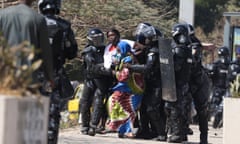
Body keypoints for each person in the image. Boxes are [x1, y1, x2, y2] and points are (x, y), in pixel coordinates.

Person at [37, 0, 78, 143]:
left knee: (31, 109)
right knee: (53, 111)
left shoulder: (32, 23)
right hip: (55, 73)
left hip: (34, 73)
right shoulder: (65, 26)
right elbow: (72, 52)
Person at [125, 22, 167, 141]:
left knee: (152, 108)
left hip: (156, 85)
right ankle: (145, 131)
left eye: (147, 38)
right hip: (149, 84)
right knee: (143, 108)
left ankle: (161, 133)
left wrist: (131, 67)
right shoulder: (149, 50)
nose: (145, 40)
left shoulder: (154, 52)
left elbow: (148, 68)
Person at [0, 0, 54, 85]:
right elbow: (46, 53)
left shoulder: (2, 15)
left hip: (5, 77)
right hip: (29, 78)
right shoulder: (38, 19)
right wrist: (50, 77)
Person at [105, 40, 145, 138]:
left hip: (132, 90)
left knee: (129, 111)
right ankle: (122, 130)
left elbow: (124, 76)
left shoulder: (128, 60)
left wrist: (115, 73)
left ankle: (127, 131)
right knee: (123, 110)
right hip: (126, 90)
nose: (117, 52)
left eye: (119, 50)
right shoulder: (124, 59)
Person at [80, 28, 114, 136]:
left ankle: (94, 126)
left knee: (99, 102)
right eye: (95, 39)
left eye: (99, 38)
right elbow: (91, 66)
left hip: (102, 80)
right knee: (85, 102)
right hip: (90, 79)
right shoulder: (88, 51)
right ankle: (85, 126)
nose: (98, 41)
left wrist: (111, 69)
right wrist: (105, 69)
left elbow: (112, 60)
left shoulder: (106, 49)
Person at [165, 23, 193, 143]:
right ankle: (180, 133)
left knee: (174, 108)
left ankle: (177, 133)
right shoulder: (187, 48)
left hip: (178, 82)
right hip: (181, 83)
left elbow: (176, 67)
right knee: (177, 108)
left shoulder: (181, 49)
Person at [188, 23, 210, 144]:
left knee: (202, 110)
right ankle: (182, 132)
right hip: (187, 81)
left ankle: (204, 138)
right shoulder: (178, 45)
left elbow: (193, 59)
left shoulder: (195, 45)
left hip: (199, 80)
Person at [208, 46, 230, 128]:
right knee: (215, 104)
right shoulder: (216, 65)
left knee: (224, 106)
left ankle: (221, 119)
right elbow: (210, 75)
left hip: (227, 88)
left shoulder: (230, 65)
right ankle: (216, 118)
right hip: (217, 88)